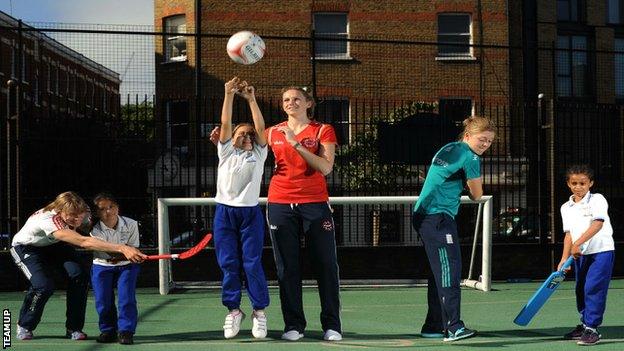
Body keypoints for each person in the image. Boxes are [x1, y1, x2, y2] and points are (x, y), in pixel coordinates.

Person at [10, 191, 146, 341]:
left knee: (79, 276)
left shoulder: (84, 210)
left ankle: (73, 328)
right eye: (71, 216)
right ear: (60, 211)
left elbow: (91, 227)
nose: (76, 219)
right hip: (27, 248)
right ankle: (25, 325)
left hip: (55, 245)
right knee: (43, 286)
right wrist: (122, 248)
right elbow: (83, 241)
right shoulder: (48, 219)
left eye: (79, 216)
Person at [265, 86, 341, 342]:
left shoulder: (322, 130)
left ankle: (332, 325)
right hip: (280, 203)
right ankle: (293, 325)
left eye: (296, 99)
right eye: (286, 99)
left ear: (309, 103)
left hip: (315, 204)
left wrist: (295, 144)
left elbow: (326, 167)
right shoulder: (273, 131)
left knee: (326, 265)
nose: (290, 102)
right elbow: (247, 141)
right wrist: (248, 99)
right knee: (287, 267)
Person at [412, 116, 495, 342]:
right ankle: (454, 327)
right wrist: (467, 189)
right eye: (482, 139)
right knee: (450, 270)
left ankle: (433, 325)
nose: (485, 145)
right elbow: (477, 195)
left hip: (422, 214)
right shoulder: (470, 157)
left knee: (438, 272)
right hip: (437, 217)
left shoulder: (448, 147)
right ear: (467, 136)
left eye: (489, 141)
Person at [211, 77, 270, 339]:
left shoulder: (259, 153)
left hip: (250, 213)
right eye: (240, 133)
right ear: (231, 138)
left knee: (252, 263)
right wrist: (229, 94)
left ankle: (259, 311)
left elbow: (260, 126)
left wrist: (251, 99)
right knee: (228, 263)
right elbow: (225, 122)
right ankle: (234, 310)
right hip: (224, 212)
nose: (246, 135)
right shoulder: (225, 152)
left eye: (249, 134)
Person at [558, 165, 614, 346]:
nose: (578, 187)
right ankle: (585, 324)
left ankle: (593, 329)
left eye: (582, 183)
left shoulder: (597, 199)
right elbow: (568, 234)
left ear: (590, 183)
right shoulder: (565, 207)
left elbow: (597, 224)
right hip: (579, 255)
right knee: (580, 289)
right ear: (568, 184)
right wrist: (563, 259)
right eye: (574, 183)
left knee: (593, 288)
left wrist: (577, 243)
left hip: (601, 252)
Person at [90, 193, 142, 345]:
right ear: (97, 213)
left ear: (117, 208)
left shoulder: (131, 224)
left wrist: (133, 254)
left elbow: (133, 247)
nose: (108, 211)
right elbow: (107, 252)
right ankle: (108, 330)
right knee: (103, 300)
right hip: (101, 265)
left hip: (127, 266)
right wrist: (123, 253)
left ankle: (126, 331)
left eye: (111, 207)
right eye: (102, 209)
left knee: (126, 298)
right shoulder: (94, 229)